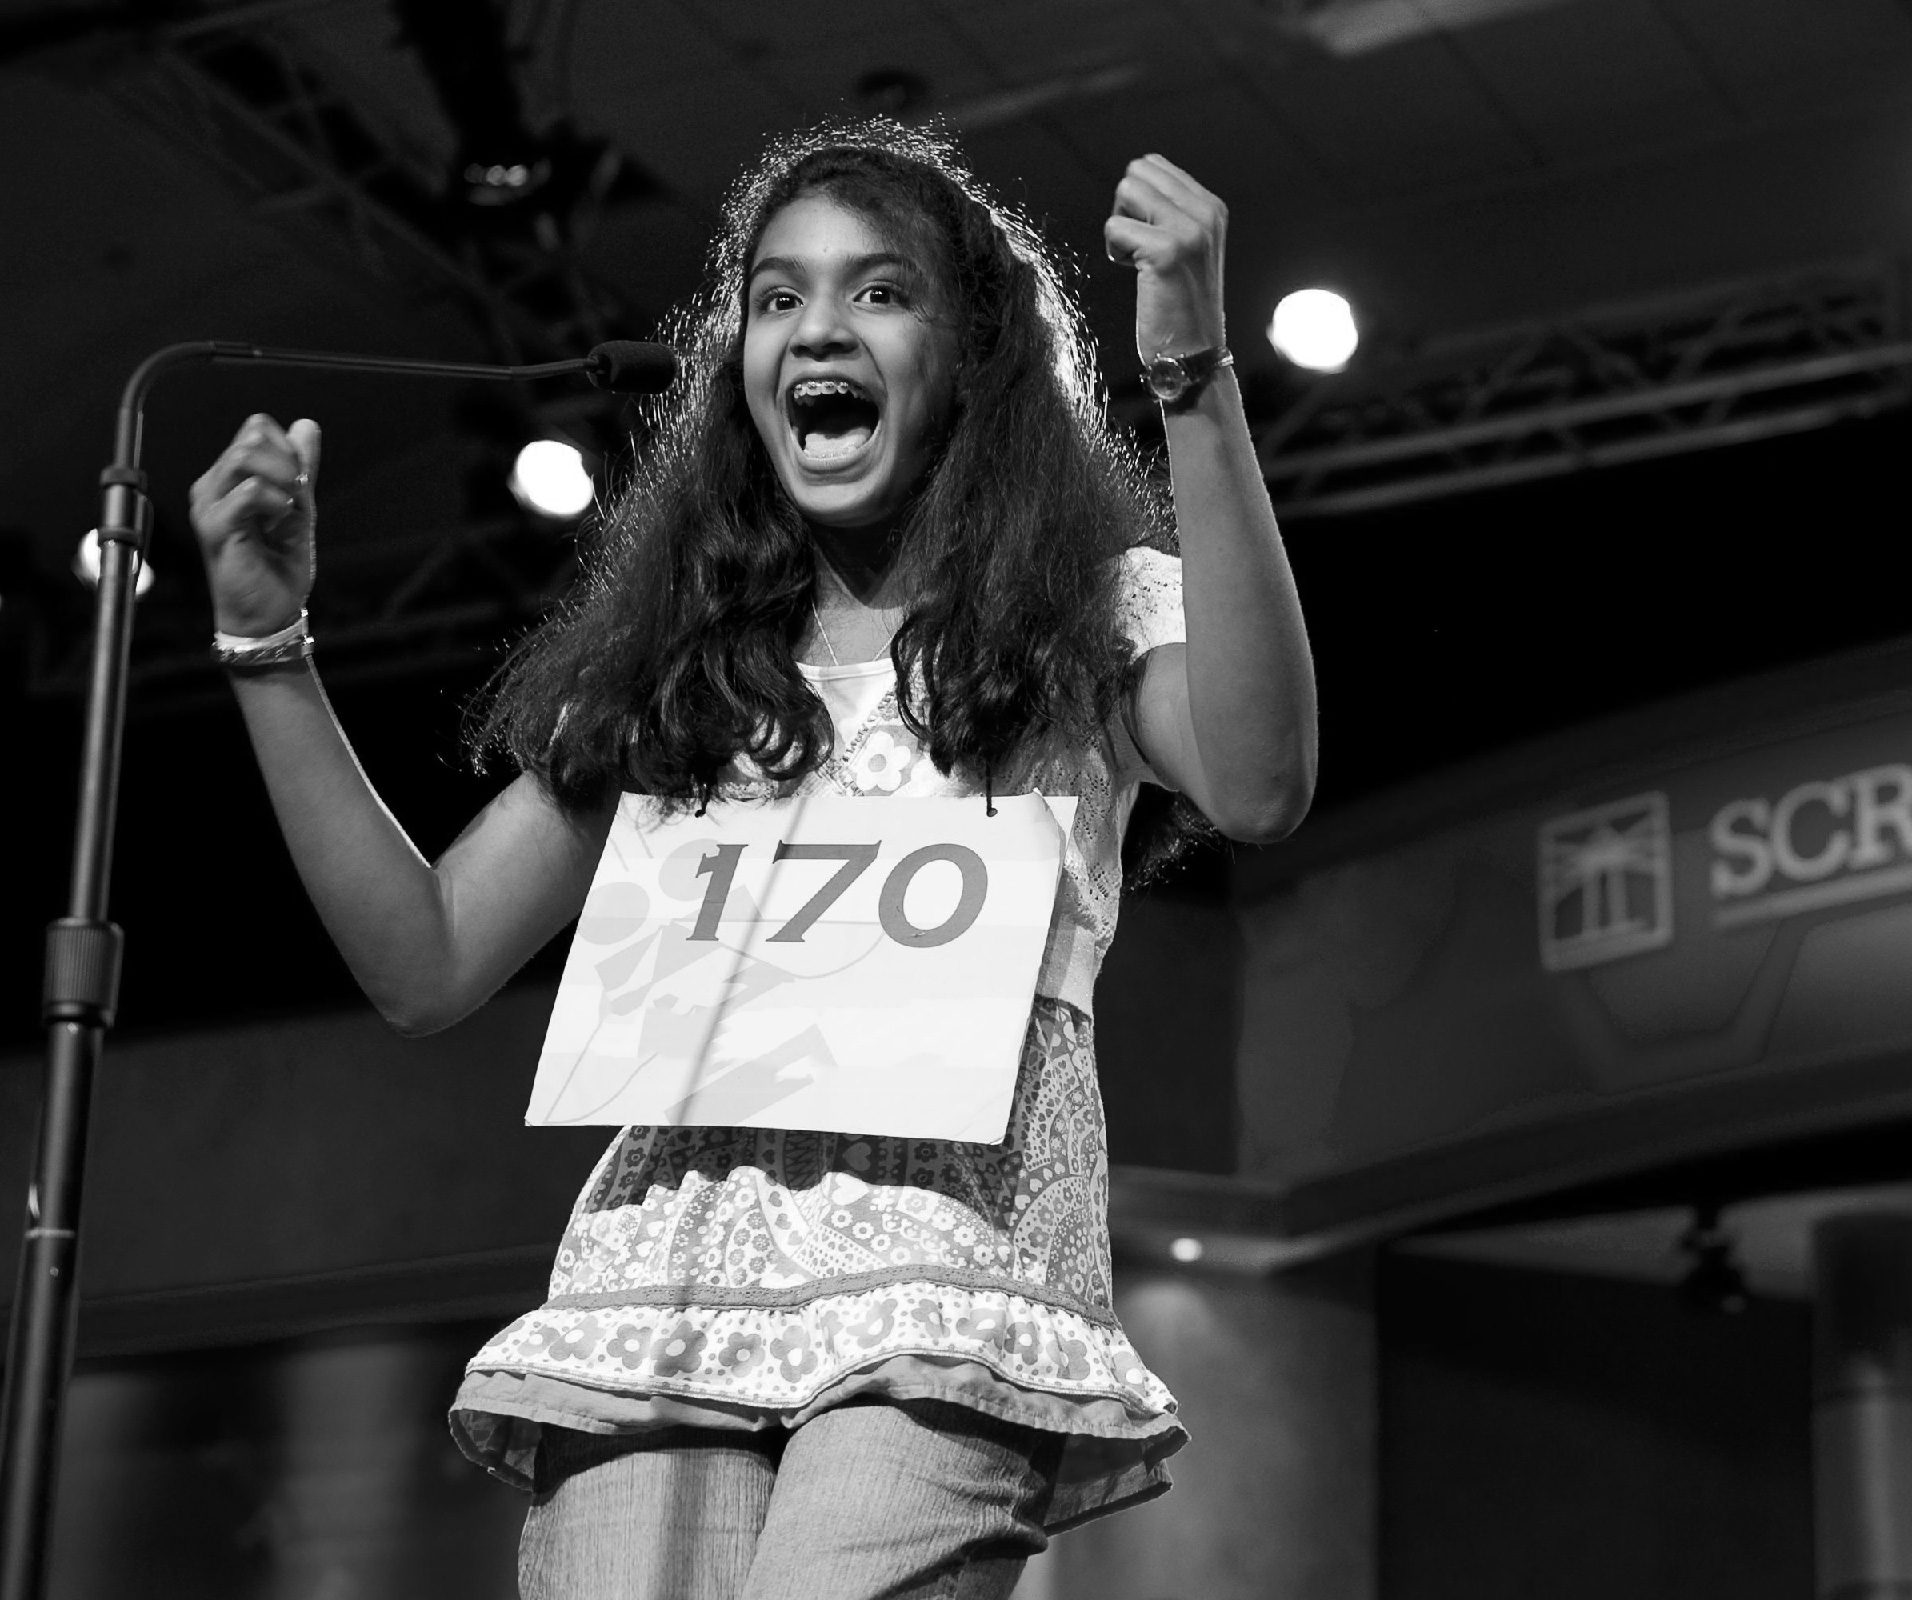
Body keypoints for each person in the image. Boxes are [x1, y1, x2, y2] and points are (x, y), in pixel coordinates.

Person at [184, 119, 1317, 1600]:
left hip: (947, 1275)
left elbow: (1260, 780)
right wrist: (269, 650)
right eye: (776, 298)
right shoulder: (685, 668)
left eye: (877, 292)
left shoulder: (1079, 616)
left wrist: (1195, 383)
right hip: (663, 1293)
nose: (815, 329)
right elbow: (429, 958)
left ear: (971, 353)